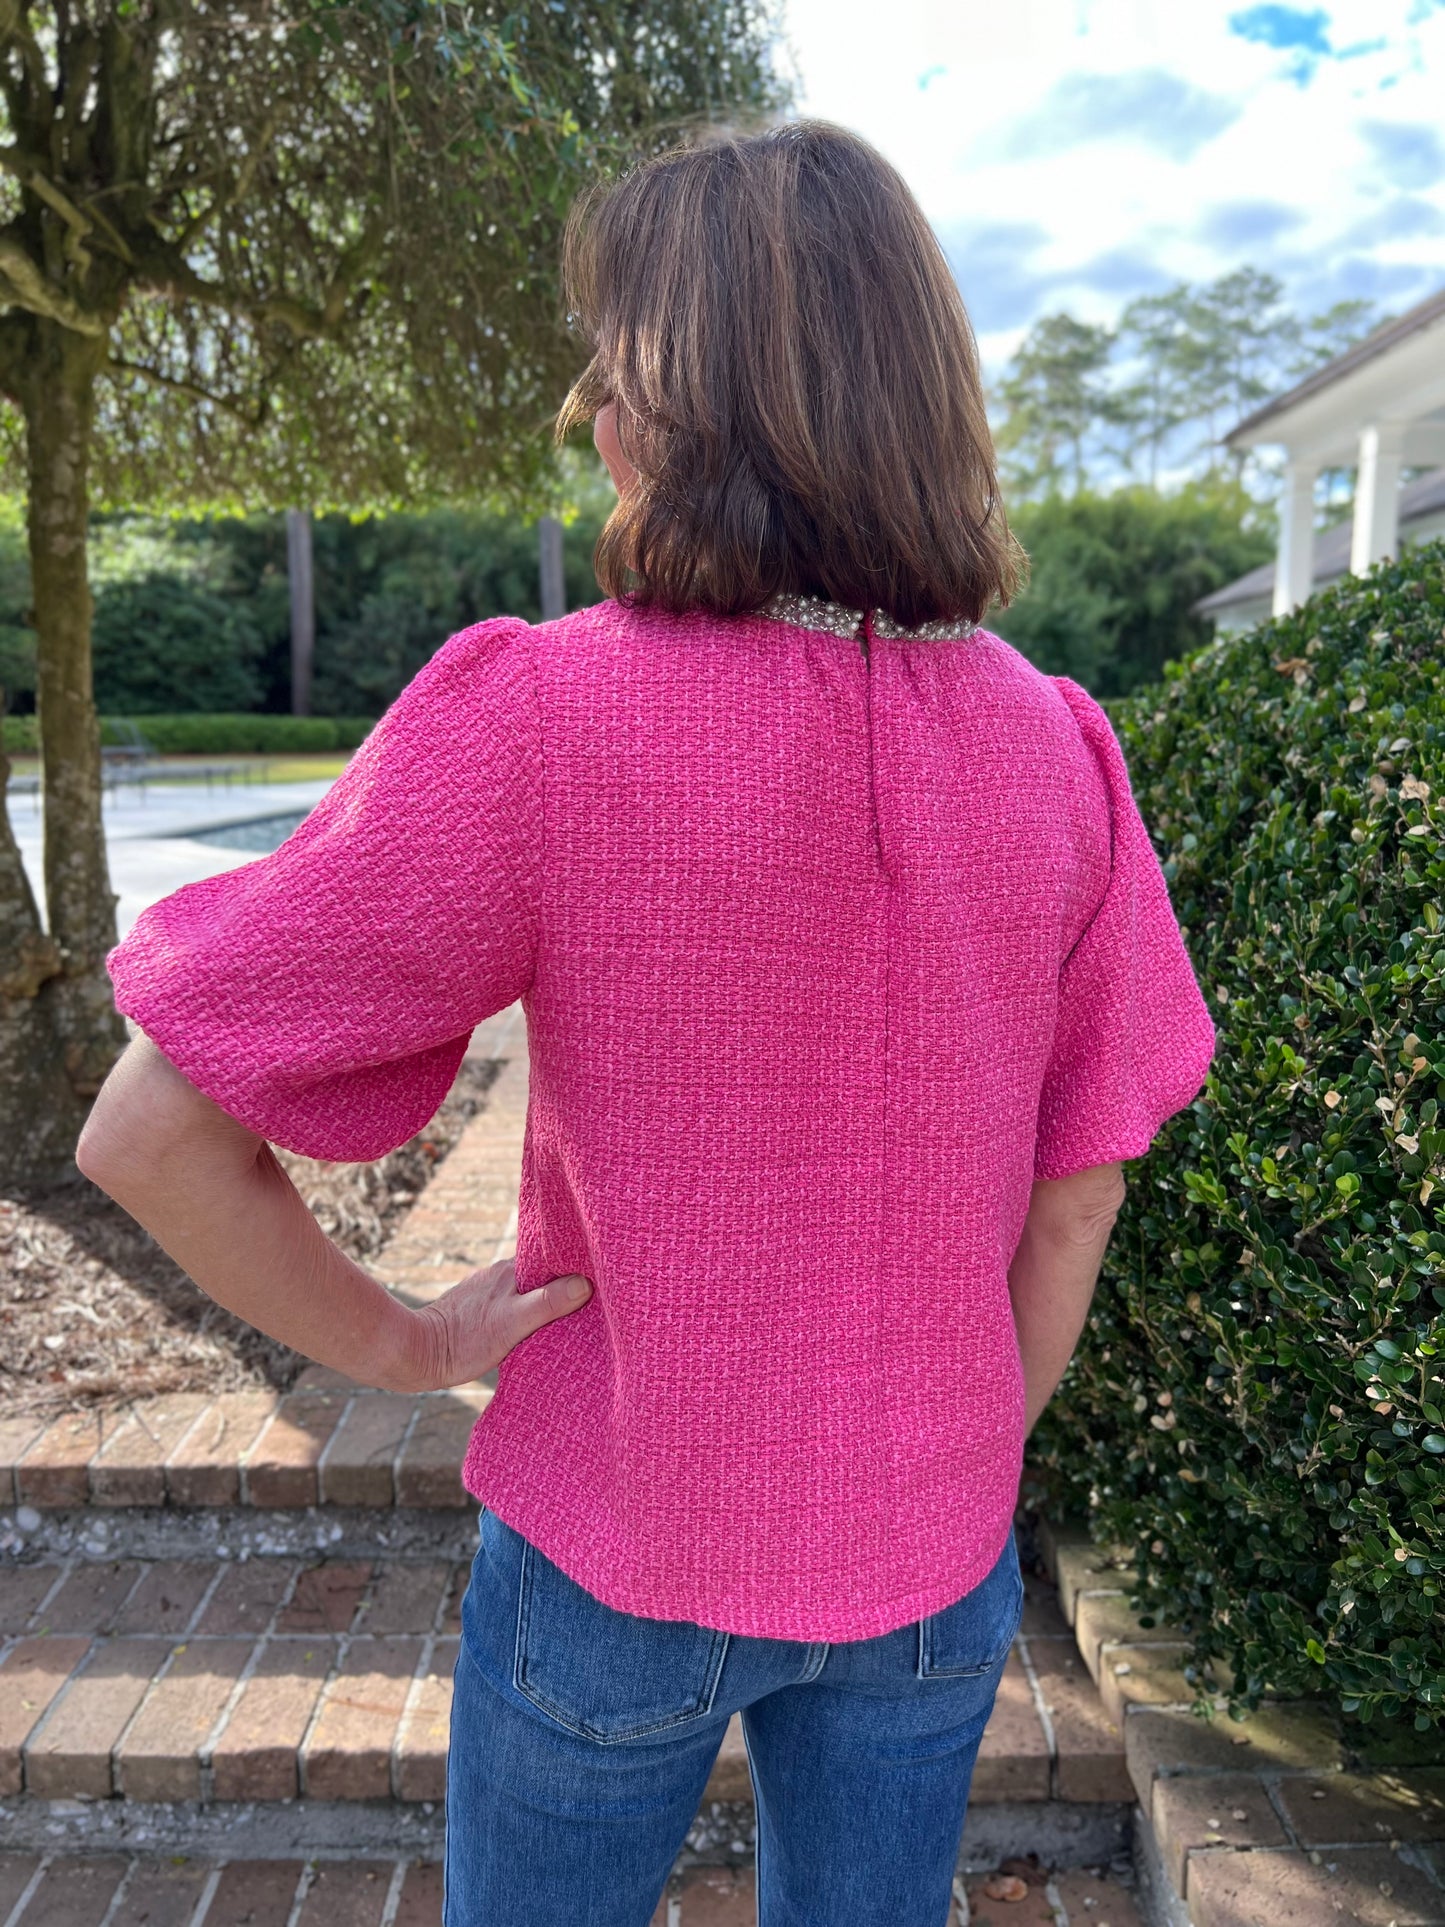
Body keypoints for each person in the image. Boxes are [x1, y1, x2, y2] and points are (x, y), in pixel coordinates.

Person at [80, 121, 1215, 1927]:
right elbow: (1078, 1191)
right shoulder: (1061, 749)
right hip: (930, 1562)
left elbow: (147, 1130)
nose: (588, 416)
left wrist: (391, 1345)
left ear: (677, 415)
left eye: (612, 373)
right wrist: (954, 1447)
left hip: (626, 1541)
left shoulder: (540, 720)